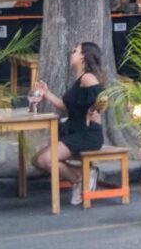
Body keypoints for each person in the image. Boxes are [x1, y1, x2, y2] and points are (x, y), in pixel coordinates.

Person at [31, 42, 105, 206]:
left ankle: (79, 179)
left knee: (45, 160)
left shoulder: (87, 77)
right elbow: (68, 108)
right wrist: (47, 94)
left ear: (83, 56)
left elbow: (102, 96)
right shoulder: (78, 80)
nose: (71, 53)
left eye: (75, 51)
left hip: (86, 134)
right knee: (37, 160)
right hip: (74, 131)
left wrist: (94, 111)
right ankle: (84, 174)